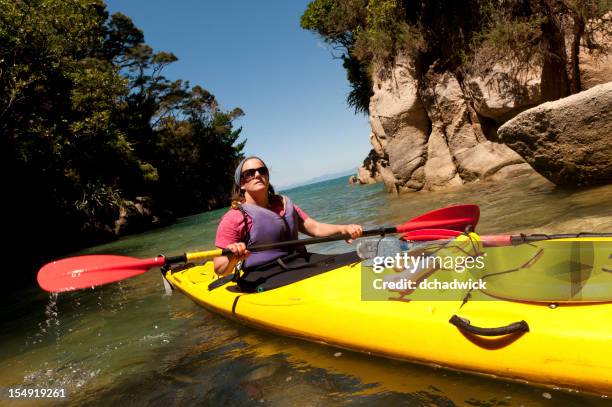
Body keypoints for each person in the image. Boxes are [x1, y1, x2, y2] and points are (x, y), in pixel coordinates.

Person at [214, 156, 363, 276]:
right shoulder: (233, 218)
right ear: (241, 184)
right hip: (266, 274)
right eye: (250, 173)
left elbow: (315, 228)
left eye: (262, 170)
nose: (257, 175)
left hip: (300, 261)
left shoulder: (284, 204)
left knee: (360, 257)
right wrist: (232, 257)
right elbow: (219, 268)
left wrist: (344, 229)